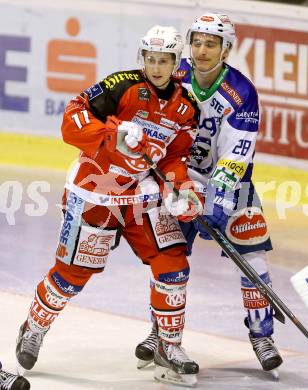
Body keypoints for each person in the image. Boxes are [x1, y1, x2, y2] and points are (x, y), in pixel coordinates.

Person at [15, 25, 203, 387]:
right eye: (150, 59)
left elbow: (175, 157)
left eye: (164, 60)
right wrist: (112, 133)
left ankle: (169, 345)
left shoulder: (185, 108)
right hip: (95, 192)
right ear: (142, 58)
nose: (156, 67)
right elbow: (71, 122)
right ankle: (34, 327)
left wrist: (180, 187)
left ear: (176, 62)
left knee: (173, 263)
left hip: (140, 197)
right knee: (72, 276)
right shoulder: (121, 86)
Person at [135, 13, 283, 378]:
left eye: (211, 43)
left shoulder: (241, 91)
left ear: (226, 49)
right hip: (179, 180)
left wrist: (219, 197)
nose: (201, 50)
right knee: (169, 260)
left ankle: (262, 336)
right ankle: (161, 335)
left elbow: (237, 152)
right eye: (197, 42)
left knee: (255, 260)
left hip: (232, 186)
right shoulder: (173, 73)